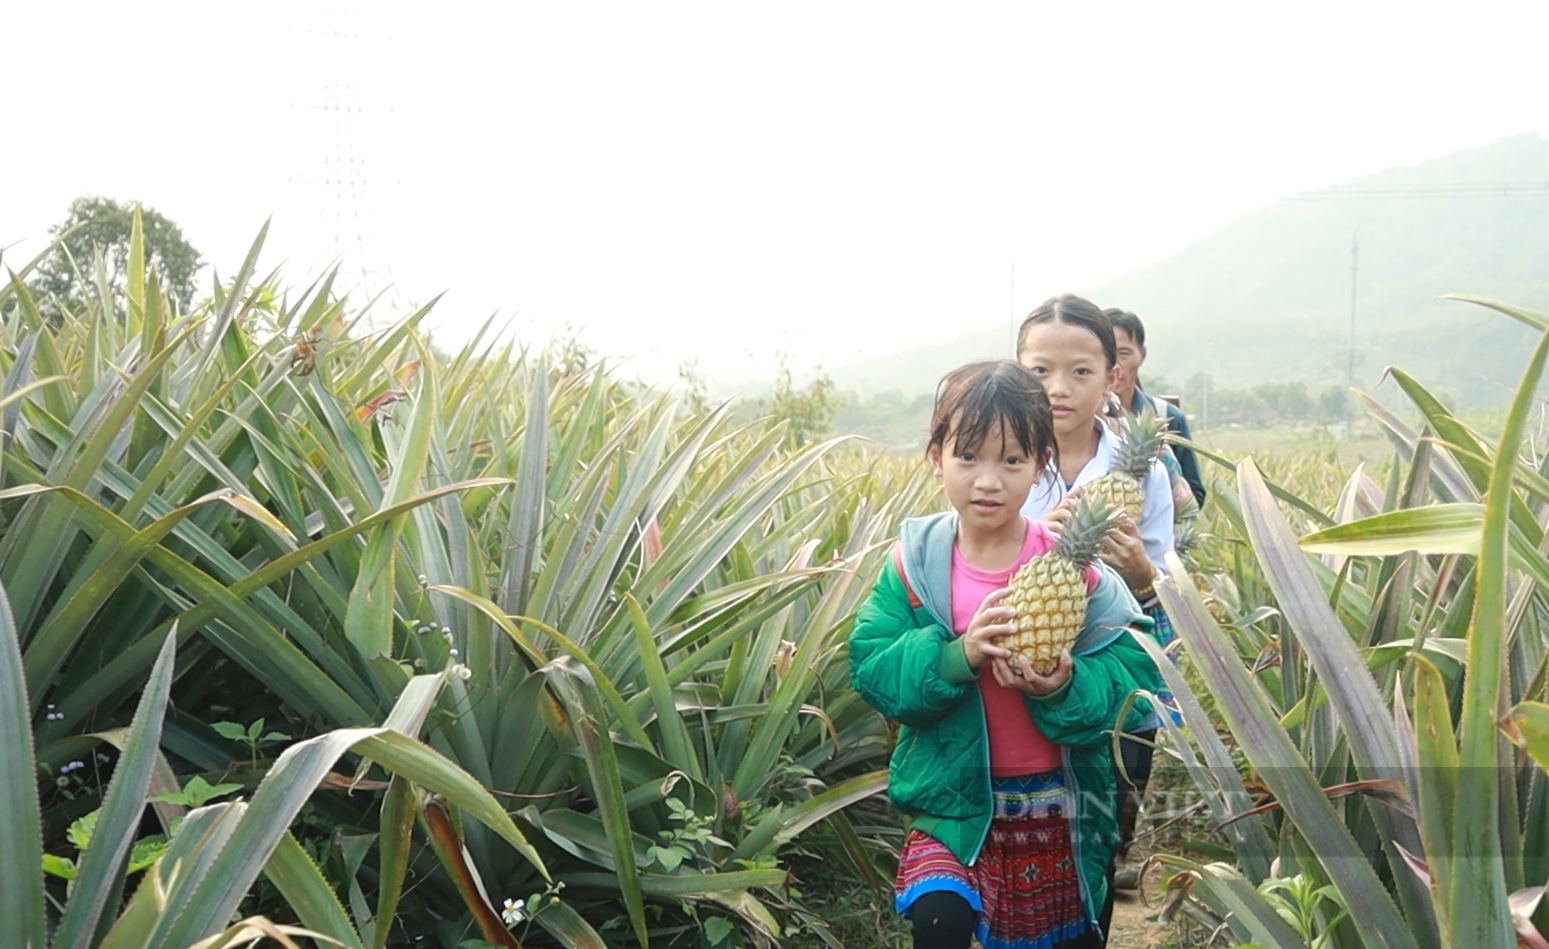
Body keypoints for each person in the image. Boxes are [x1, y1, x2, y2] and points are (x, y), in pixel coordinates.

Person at [849, 359, 1162, 949]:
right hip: (952, 805)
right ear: (937, 455)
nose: (988, 480)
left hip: (1059, 809)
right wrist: (953, 657)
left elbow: (1135, 677)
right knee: (939, 922)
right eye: (968, 456)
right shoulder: (913, 565)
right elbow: (870, 664)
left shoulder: (1077, 572)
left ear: (1042, 463)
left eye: (1012, 460)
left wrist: (1067, 686)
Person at [1016, 296, 1175, 887]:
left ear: (1111, 378)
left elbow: (1165, 583)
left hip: (1115, 665)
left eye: (1080, 371)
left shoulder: (1144, 473)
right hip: (1024, 664)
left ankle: (1105, 880)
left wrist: (1140, 574)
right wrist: (1036, 538)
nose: (1059, 388)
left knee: (1107, 817)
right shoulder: (1003, 461)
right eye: (1039, 370)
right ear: (1017, 372)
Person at [1104, 308, 1206, 508]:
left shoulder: (1168, 417)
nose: (1115, 365)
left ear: (1142, 355)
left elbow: (1195, 494)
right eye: (1105, 353)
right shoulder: (1079, 420)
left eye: (1123, 353)